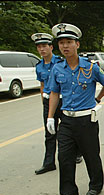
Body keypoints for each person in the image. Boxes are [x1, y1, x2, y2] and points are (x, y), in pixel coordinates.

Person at [47, 23, 104, 195]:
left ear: (77, 44)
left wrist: (97, 99)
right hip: (66, 120)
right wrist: (51, 117)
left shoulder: (91, 68)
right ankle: (69, 192)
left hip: (86, 120)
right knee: (64, 157)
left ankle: (95, 186)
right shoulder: (57, 69)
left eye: (69, 42)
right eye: (61, 43)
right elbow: (53, 93)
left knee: (91, 155)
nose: (65, 46)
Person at [32, 32, 82, 175]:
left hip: (63, 100)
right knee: (49, 132)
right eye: (39, 47)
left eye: (44, 46)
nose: (42, 50)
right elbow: (42, 84)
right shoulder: (39, 66)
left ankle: (77, 153)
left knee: (71, 130)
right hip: (49, 101)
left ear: (51, 47)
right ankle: (49, 163)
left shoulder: (60, 62)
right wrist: (44, 101)